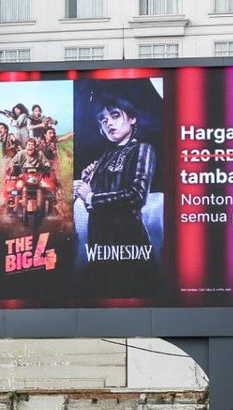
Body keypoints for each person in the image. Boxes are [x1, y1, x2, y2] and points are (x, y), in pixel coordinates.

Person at [72, 94, 157, 297]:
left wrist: (91, 197)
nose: (108, 122)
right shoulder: (102, 159)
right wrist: (83, 184)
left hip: (129, 246)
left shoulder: (142, 149)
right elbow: (91, 205)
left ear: (132, 119)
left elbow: (136, 196)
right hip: (99, 248)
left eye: (115, 115)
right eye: (103, 120)